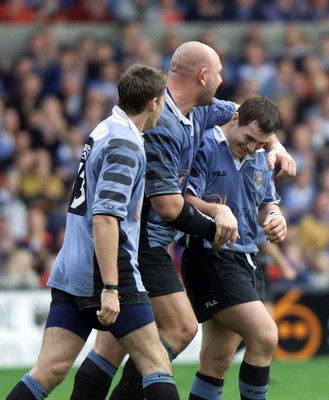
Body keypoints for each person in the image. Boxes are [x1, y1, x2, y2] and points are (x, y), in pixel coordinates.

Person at [70, 42, 297, 400]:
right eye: (219, 73)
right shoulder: (163, 124)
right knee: (181, 329)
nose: (223, 80)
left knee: (111, 348)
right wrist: (216, 223)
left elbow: (246, 111)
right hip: (141, 241)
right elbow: (169, 207)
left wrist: (277, 147)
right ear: (203, 76)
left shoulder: (199, 113)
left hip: (145, 242)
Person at [4, 63, 182, 400]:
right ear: (154, 103)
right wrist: (112, 287)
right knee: (156, 364)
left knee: (50, 370)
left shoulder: (104, 128)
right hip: (105, 269)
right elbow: (104, 217)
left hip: (72, 266)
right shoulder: (126, 144)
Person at [180, 95, 288, 400]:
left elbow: (268, 202)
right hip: (210, 254)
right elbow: (183, 200)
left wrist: (276, 217)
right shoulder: (206, 146)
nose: (252, 147)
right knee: (265, 336)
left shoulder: (259, 157)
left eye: (261, 142)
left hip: (246, 258)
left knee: (217, 361)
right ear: (235, 118)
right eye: (249, 138)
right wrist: (216, 211)